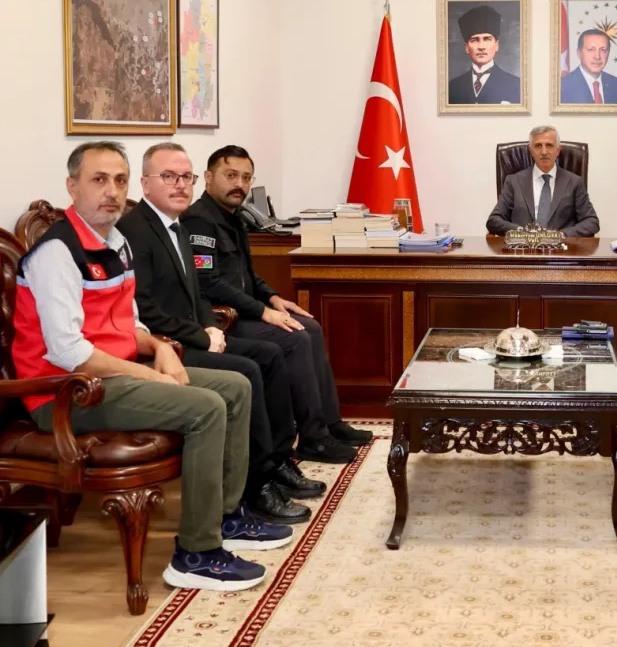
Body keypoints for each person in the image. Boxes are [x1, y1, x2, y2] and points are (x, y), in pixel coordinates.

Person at [13, 142, 292, 592]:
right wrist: (149, 372)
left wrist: (159, 348)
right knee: (205, 407)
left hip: (114, 374)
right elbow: (68, 353)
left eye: (119, 181)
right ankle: (196, 554)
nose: (112, 191)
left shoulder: (116, 242)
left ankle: (225, 517)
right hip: (66, 392)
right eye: (99, 180)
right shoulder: (56, 253)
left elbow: (132, 323)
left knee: (236, 387)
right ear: (72, 186)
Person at [118, 142, 325, 525]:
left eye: (186, 177)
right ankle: (256, 485)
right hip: (164, 346)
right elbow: (145, 309)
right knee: (249, 368)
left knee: (269, 356)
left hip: (193, 334)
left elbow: (196, 292)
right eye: (169, 177)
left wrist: (211, 326)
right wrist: (201, 336)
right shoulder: (134, 231)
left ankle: (277, 461)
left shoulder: (175, 226)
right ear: (145, 184)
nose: (180, 185)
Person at [183, 145, 372, 463]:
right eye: (231, 175)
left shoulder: (234, 218)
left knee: (310, 327)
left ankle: (330, 423)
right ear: (208, 177)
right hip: (222, 320)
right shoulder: (199, 221)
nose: (239, 185)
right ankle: (313, 438)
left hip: (246, 311)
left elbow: (248, 275)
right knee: (295, 338)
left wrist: (273, 298)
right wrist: (263, 311)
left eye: (246, 177)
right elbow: (209, 283)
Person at [487, 126, 600, 236]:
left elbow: (591, 222)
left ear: (558, 150)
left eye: (549, 145)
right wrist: (522, 232)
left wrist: (561, 235)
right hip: (524, 246)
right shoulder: (513, 182)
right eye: (538, 146)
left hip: (561, 246)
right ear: (531, 150)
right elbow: (494, 220)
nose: (544, 151)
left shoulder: (574, 182)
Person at [447, 4, 521, 105]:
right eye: (474, 40)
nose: (481, 46)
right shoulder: (452, 87)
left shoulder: (516, 85)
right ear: (467, 47)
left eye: (487, 39)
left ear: (497, 45)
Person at [560, 29, 617, 104]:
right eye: (591, 49)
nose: (597, 57)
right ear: (579, 53)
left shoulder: (615, 83)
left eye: (603, 50)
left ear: (608, 53)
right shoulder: (563, 85)